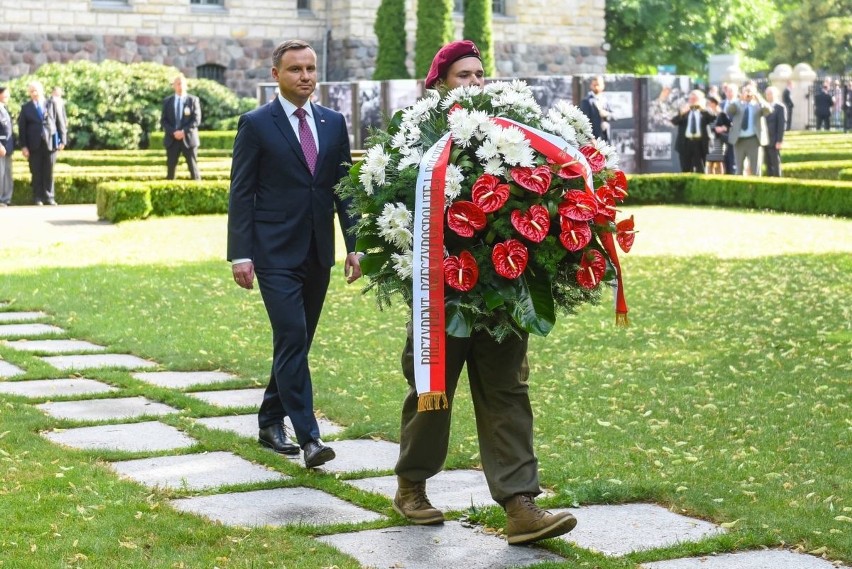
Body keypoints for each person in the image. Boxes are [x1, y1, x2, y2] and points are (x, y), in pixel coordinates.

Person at [392, 39, 578, 546]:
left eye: (479, 75)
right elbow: (395, 215)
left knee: (508, 393)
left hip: (502, 291)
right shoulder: (415, 146)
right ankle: (412, 485)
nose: (474, 84)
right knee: (432, 392)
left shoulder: (515, 135)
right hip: (441, 295)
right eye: (462, 76)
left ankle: (520, 504)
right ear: (438, 85)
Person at [227, 39, 362, 469]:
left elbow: (345, 191)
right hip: (272, 254)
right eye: (295, 69)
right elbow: (241, 193)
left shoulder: (334, 122)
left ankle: (270, 419)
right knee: (292, 337)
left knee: (296, 344)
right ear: (276, 76)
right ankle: (310, 439)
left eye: (310, 68)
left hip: (318, 251)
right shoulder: (256, 124)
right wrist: (240, 254)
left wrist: (355, 245)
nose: (305, 76)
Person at [18, 80, 65, 205]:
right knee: (36, 171)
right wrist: (23, 146)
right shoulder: (26, 107)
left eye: (36, 90)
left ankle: (49, 197)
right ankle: (37, 197)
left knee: (49, 171)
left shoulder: (51, 104)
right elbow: (22, 129)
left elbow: (60, 122)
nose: (34, 93)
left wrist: (63, 139)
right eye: (31, 91)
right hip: (34, 144)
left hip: (50, 142)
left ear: (41, 90)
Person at [160, 74, 201, 180]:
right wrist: (174, 132)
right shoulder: (167, 101)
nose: (180, 86)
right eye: (177, 84)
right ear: (173, 86)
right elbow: (164, 120)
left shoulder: (193, 100)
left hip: (188, 139)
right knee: (170, 171)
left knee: (194, 170)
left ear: (186, 85)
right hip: (172, 139)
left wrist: (183, 131)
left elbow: (196, 120)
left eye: (182, 83)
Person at [725, 83, 771, 176]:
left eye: (750, 91)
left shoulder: (758, 105)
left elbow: (768, 110)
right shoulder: (738, 105)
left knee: (756, 170)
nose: (748, 94)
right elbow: (728, 110)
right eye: (746, 91)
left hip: (754, 140)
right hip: (739, 140)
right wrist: (740, 99)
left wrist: (758, 98)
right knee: (739, 169)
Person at [671, 89, 716, 173]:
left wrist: (702, 108)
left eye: (695, 99)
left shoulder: (705, 111)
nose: (692, 101)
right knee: (685, 170)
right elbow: (674, 121)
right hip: (685, 143)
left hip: (700, 144)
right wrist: (682, 113)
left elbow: (713, 118)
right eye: (691, 99)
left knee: (701, 170)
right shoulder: (684, 110)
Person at [580, 75, 613, 141]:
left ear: (603, 85)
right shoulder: (586, 101)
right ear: (591, 85)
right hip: (593, 139)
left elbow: (614, 115)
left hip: (606, 137)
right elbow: (584, 122)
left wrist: (607, 114)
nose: (596, 87)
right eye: (594, 85)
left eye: (598, 84)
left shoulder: (605, 100)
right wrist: (590, 138)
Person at [763, 86, 786, 177]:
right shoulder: (764, 107)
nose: (769, 96)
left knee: (776, 164)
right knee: (767, 164)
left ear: (776, 95)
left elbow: (781, 125)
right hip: (765, 140)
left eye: (770, 94)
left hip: (774, 140)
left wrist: (779, 141)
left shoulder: (780, 107)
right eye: (767, 94)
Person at [717, 83, 738, 175]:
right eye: (727, 91)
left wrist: (727, 127)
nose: (729, 93)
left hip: (732, 135)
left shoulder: (739, 105)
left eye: (731, 91)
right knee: (721, 160)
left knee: (732, 160)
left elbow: (739, 120)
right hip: (720, 136)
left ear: (736, 92)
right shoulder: (721, 104)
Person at [704, 95, 726, 174]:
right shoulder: (707, 113)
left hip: (718, 140)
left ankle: (720, 179)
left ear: (714, 103)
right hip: (709, 140)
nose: (708, 104)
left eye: (709, 103)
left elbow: (725, 126)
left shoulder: (720, 113)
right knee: (710, 163)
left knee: (719, 162)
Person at [0, 86, 13, 206]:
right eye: (5, 94)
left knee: (7, 174)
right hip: (1, 148)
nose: (7, 97)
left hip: (7, 147)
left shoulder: (4, 108)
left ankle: (5, 198)